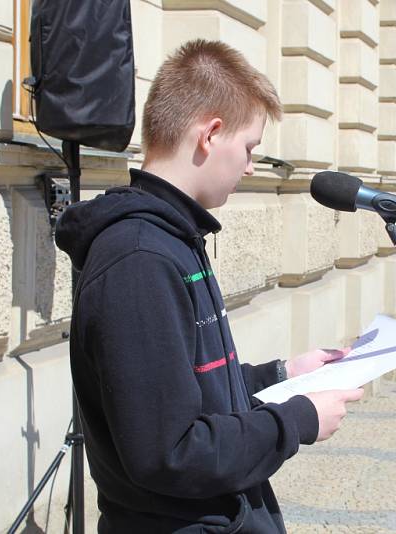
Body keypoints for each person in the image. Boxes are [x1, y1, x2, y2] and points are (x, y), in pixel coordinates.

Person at [55, 40, 364, 533]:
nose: (250, 166)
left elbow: (192, 390)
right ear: (211, 134)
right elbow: (170, 451)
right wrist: (296, 421)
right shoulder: (139, 259)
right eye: (249, 148)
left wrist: (285, 374)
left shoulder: (174, 238)